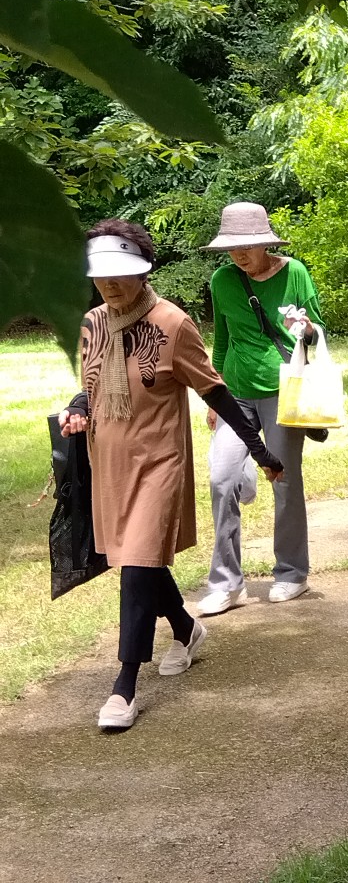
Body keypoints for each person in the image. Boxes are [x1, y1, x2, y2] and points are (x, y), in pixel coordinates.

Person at [59, 219, 284, 730]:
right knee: (139, 561)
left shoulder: (173, 324)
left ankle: (124, 685)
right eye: (100, 274)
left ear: (142, 271)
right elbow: (92, 385)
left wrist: (259, 451)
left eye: (120, 273)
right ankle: (185, 628)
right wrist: (77, 408)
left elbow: (214, 390)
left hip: (159, 463)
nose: (109, 284)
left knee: (137, 566)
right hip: (109, 465)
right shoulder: (92, 323)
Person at [197, 202, 324, 615]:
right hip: (234, 392)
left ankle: (292, 573)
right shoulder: (222, 280)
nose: (239, 254)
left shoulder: (295, 272)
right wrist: (213, 392)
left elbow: (318, 332)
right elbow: (221, 338)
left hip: (283, 391)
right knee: (221, 478)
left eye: (247, 246)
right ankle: (226, 583)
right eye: (232, 248)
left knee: (284, 481)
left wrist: (305, 327)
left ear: (265, 243)